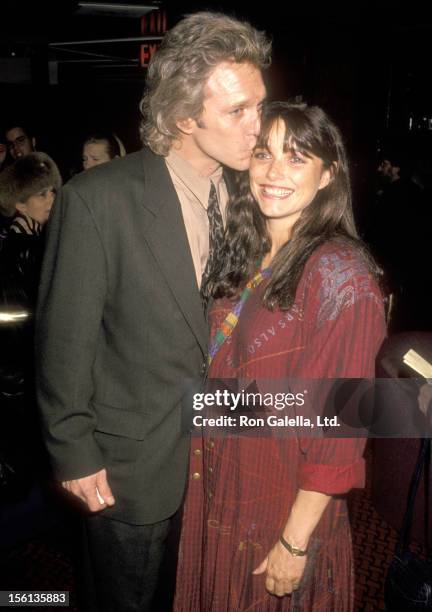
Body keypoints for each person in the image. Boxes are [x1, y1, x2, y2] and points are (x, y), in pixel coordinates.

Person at [36, 11, 269, 612]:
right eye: (238, 111)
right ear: (186, 117)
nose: (258, 128)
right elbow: (64, 343)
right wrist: (74, 452)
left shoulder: (251, 192)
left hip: (221, 452)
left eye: (259, 107)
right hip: (132, 461)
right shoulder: (98, 200)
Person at [175, 101, 386, 611]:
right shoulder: (245, 249)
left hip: (279, 507)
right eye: (264, 154)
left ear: (328, 174)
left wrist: (294, 542)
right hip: (223, 480)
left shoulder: (342, 277)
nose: (273, 172)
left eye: (296, 158)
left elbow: (339, 430)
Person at [0, 152, 61, 498]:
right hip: (21, 376)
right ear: (20, 204)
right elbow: (22, 321)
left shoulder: (23, 241)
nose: (51, 199)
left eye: (52, 191)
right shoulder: (26, 248)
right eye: (42, 194)